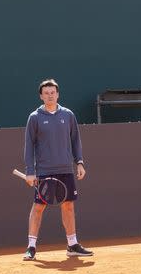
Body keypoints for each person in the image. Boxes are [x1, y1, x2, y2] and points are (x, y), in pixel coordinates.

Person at [22, 79, 92, 261]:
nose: (50, 95)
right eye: (46, 93)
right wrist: (30, 171)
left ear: (58, 94)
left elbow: (75, 140)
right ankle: (31, 247)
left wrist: (80, 162)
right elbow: (29, 146)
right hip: (44, 170)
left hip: (65, 169)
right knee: (38, 207)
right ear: (41, 96)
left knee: (68, 206)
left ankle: (72, 244)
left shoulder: (68, 115)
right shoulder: (35, 117)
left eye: (52, 92)